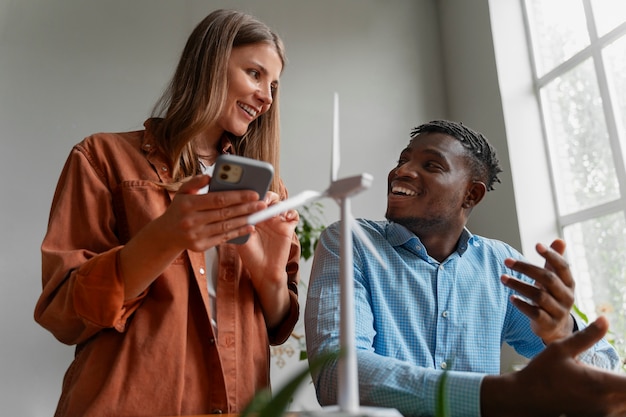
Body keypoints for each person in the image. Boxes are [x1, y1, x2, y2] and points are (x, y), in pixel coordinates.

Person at [34, 9, 301, 417]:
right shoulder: (102, 158)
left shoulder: (270, 193)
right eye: (254, 74)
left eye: (274, 85)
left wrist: (269, 279)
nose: (266, 97)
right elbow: (64, 312)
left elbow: (278, 323)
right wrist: (165, 238)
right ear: (210, 65)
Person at [305, 120, 626, 417]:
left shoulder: (500, 264)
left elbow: (605, 378)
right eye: (403, 159)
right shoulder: (351, 239)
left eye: (431, 165)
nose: (402, 171)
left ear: (471, 194)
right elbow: (335, 373)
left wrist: (562, 332)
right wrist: (501, 394)